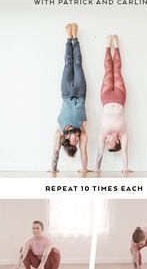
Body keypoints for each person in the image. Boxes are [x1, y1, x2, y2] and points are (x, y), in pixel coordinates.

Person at [52, 23, 88, 172]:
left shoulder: (59, 131)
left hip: (66, 92)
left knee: (68, 64)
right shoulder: (82, 130)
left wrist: (54, 168)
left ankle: (68, 37)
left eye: (75, 141)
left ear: (67, 140)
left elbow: (55, 152)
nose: (77, 139)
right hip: (80, 93)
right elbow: (84, 152)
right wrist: (84, 169)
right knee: (78, 64)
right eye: (78, 141)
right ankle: (75, 37)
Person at [96, 35, 129, 172]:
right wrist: (125, 168)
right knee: (117, 70)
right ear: (117, 142)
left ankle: (107, 46)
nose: (107, 141)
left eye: (106, 143)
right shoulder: (123, 134)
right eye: (110, 143)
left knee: (109, 70)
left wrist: (97, 168)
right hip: (120, 97)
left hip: (106, 97)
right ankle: (117, 46)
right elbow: (124, 152)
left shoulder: (103, 134)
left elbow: (99, 153)